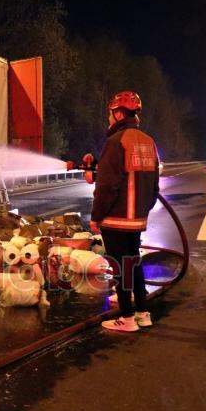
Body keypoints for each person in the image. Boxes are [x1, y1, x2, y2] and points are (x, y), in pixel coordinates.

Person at [90, 91, 160, 332]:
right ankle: (143, 313)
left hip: (116, 219)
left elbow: (107, 186)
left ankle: (127, 318)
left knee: (121, 269)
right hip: (137, 219)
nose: (109, 119)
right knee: (134, 263)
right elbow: (154, 186)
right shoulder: (148, 141)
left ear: (119, 114)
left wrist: (96, 217)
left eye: (110, 114)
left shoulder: (116, 141)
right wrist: (142, 210)